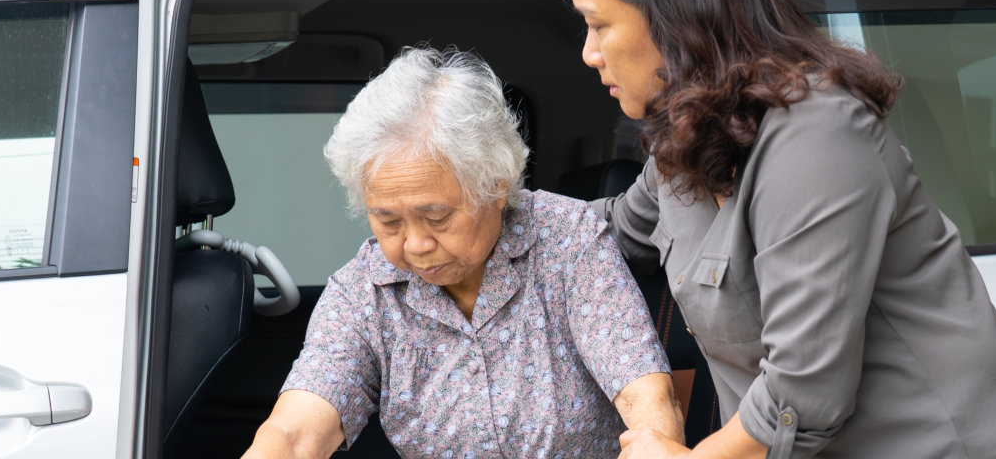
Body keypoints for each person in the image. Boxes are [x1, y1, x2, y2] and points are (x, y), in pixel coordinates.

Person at [556, 0, 996, 459]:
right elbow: (600, 234)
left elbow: (804, 394)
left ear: (673, 15)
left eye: (598, 24)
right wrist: (467, 209)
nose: (588, 53)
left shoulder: (816, 133)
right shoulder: (686, 144)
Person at [242, 47, 682, 458]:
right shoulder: (363, 292)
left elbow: (647, 400)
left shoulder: (569, 242)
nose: (414, 244)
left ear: (494, 186)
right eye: (388, 221)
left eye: (436, 218)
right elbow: (294, 432)